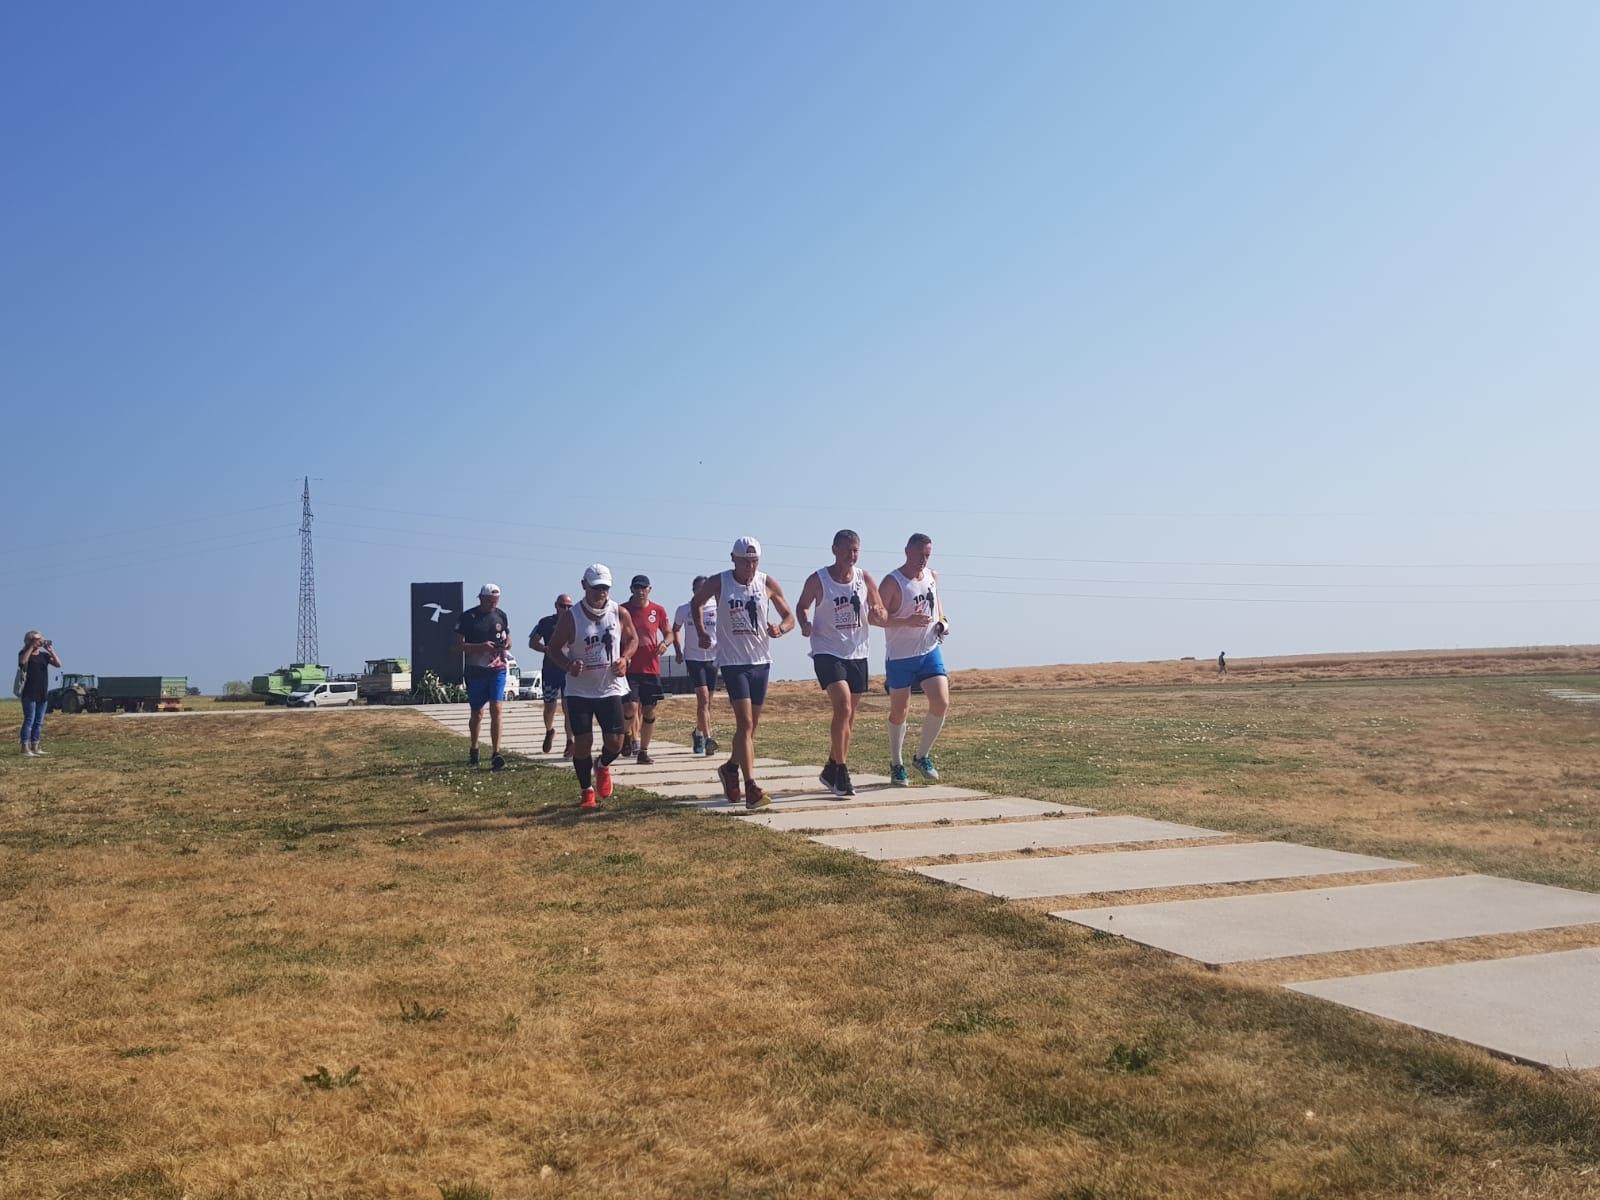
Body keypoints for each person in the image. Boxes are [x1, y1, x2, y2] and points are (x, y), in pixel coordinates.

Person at [691, 537, 794, 810]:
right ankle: (751, 788)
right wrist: (701, 632)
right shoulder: (720, 582)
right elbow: (696, 603)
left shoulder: (766, 582)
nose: (750, 566)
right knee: (745, 724)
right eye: (745, 561)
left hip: (761, 662)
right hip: (733, 662)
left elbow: (789, 616)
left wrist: (780, 629)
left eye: (754, 561)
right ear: (733, 559)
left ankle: (730, 768)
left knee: (750, 728)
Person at [794, 530, 886, 797]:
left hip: (857, 652)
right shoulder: (819, 579)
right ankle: (842, 774)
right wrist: (805, 623)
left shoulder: (864, 578)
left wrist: (878, 612)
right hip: (827, 651)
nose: (851, 555)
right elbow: (802, 606)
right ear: (834, 550)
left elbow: (880, 609)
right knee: (843, 706)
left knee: (849, 716)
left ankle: (831, 767)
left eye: (855, 550)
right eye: (846, 550)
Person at [544, 564, 637, 809]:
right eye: (596, 588)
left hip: (610, 687)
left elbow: (632, 638)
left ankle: (602, 765)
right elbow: (553, 648)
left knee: (616, 743)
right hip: (580, 691)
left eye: (605, 588)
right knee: (583, 743)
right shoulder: (571, 617)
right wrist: (568, 664)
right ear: (584, 586)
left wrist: (625, 658)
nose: (600, 593)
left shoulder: (619, 612)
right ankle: (586, 791)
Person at [880, 533, 950, 786]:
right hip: (900, 657)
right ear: (907, 551)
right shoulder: (892, 582)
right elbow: (875, 617)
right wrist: (906, 621)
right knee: (900, 711)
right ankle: (896, 763)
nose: (923, 559)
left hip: (929, 651)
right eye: (920, 554)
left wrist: (943, 623)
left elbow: (937, 605)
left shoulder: (932, 576)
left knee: (941, 702)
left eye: (927, 555)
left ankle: (922, 756)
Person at [453, 583, 511, 771]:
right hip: (475, 670)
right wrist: (481, 647)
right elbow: (458, 645)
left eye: (496, 600)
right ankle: (474, 748)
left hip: (497, 668)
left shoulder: (501, 615)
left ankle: (496, 753)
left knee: (497, 707)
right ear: (481, 598)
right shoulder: (468, 617)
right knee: (477, 713)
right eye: (490, 601)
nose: (493, 604)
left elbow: (508, 636)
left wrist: (506, 644)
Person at [621, 575, 672, 764]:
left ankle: (643, 750)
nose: (640, 591)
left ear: (649, 589)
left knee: (649, 711)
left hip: (651, 668)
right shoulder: (623, 610)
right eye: (637, 587)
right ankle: (626, 734)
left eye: (644, 588)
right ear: (631, 589)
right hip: (630, 668)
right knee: (631, 707)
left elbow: (669, 633)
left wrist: (665, 643)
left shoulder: (657, 610)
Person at [671, 576, 719, 756]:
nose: (702, 592)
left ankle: (698, 732)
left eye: (705, 589)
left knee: (708, 704)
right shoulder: (684, 609)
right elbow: (675, 629)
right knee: (703, 700)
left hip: (713, 657)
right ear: (693, 590)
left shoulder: (717, 607)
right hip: (693, 657)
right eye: (698, 589)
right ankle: (708, 739)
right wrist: (678, 650)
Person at [529, 595, 574, 756]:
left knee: (569, 708)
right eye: (563, 606)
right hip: (550, 669)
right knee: (549, 707)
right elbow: (532, 642)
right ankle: (549, 730)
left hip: (568, 670)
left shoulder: (575, 621)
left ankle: (570, 741)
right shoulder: (545, 622)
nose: (566, 609)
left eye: (569, 606)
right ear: (556, 605)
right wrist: (545, 649)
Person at [17, 631, 61, 757]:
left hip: (42, 692)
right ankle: (25, 748)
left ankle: (35, 746)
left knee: (39, 721)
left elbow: (58, 664)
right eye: (38, 639)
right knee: (29, 720)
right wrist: (31, 647)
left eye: (41, 639)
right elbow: (22, 662)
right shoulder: (24, 653)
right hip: (29, 692)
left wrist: (51, 651)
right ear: (30, 640)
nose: (41, 641)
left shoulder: (44, 656)